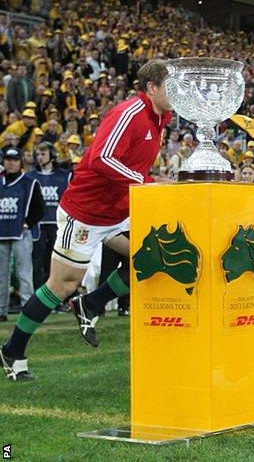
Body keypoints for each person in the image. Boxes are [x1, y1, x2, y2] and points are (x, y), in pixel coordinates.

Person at [1, 59, 172, 381]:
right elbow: (101, 158)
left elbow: (129, 166)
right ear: (152, 88)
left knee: (151, 260)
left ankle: (90, 304)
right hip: (86, 213)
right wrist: (147, 182)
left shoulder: (161, 118)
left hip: (117, 212)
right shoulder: (130, 113)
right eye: (171, 86)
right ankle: (12, 350)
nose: (177, 93)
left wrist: (151, 180)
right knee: (61, 285)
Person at [0, 147, 44, 322]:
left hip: (21, 234)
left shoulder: (30, 182)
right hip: (1, 233)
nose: (11, 163)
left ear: (21, 162)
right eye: (8, 160)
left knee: (24, 273)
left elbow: (40, 208)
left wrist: (27, 223)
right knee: (1, 275)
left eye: (15, 160)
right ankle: (1, 310)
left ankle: (28, 309)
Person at [27, 142, 71, 290]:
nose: (39, 157)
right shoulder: (30, 176)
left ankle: (55, 297)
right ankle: (37, 295)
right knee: (37, 262)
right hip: (38, 225)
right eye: (37, 154)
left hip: (58, 224)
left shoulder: (65, 176)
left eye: (43, 154)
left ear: (52, 155)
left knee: (54, 263)